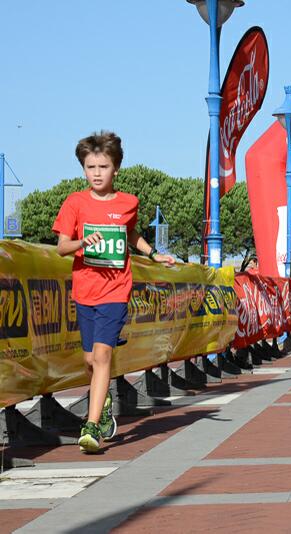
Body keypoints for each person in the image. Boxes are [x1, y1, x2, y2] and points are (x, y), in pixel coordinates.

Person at [53, 131, 175, 454]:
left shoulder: (128, 203)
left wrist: (152, 253)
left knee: (104, 355)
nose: (96, 173)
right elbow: (61, 247)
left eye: (103, 166)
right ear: (83, 169)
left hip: (116, 290)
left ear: (116, 168)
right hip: (84, 291)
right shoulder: (75, 203)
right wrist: (82, 243)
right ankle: (102, 398)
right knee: (90, 360)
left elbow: (132, 234)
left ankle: (91, 428)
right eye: (90, 166)